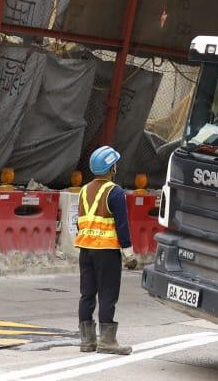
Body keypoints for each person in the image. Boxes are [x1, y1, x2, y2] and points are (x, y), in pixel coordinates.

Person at [76, 145, 139, 356]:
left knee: (87, 294)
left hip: (85, 249)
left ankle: (87, 341)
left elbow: (80, 222)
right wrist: (129, 254)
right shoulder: (115, 191)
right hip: (107, 251)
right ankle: (107, 342)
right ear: (112, 167)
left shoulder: (84, 191)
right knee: (107, 294)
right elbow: (122, 225)